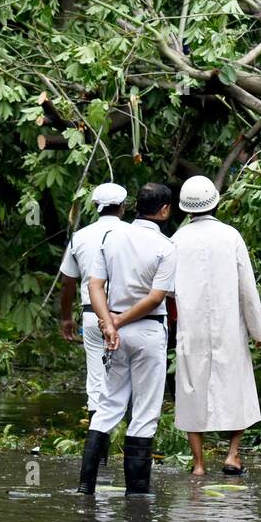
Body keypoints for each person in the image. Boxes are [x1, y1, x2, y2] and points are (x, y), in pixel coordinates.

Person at [82, 183, 177, 495]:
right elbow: (156, 297)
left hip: (115, 331)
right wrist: (118, 321)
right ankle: (136, 493)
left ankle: (86, 485)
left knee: (109, 404)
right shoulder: (165, 246)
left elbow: (95, 285)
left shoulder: (113, 237)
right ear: (164, 210)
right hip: (148, 331)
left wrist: (110, 323)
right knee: (145, 411)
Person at [170, 176, 261, 476]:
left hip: (190, 327)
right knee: (236, 384)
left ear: (185, 209)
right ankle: (232, 455)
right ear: (216, 201)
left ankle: (199, 464)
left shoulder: (176, 240)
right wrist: (258, 332)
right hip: (230, 325)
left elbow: (168, 290)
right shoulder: (231, 236)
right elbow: (247, 289)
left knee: (190, 387)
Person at [58, 182, 128, 463]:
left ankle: (99, 458)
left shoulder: (80, 237)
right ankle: (135, 453)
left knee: (97, 383)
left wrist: (65, 318)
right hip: (129, 317)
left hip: (92, 316)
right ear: (123, 206)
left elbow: (68, 283)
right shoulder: (133, 234)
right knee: (132, 379)